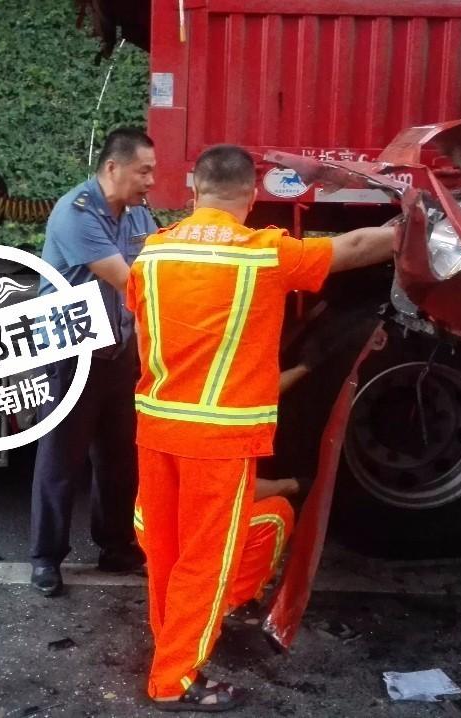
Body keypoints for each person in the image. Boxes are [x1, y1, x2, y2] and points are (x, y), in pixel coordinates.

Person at [126, 144, 400, 711]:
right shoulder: (261, 253)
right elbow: (352, 248)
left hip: (157, 428)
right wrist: (413, 225)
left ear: (194, 189)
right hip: (218, 438)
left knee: (167, 549)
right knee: (208, 557)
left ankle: (168, 643)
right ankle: (174, 678)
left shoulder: (150, 255)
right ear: (252, 196)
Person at [29, 128, 157, 597]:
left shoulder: (141, 215)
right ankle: (45, 557)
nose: (150, 180)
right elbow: (135, 283)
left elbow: (160, 261)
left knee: (120, 455)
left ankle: (116, 545)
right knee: (61, 455)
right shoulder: (76, 212)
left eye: (152, 171)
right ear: (112, 168)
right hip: (72, 351)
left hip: (119, 348)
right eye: (143, 170)